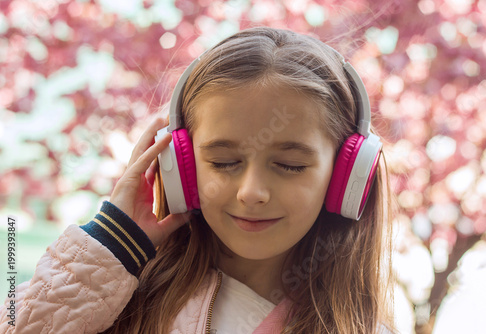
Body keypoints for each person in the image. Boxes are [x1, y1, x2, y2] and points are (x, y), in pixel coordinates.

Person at [1, 27, 394, 334]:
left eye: (290, 165)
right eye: (224, 162)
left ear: (347, 176)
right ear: (180, 168)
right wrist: (113, 244)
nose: (252, 192)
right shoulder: (119, 295)